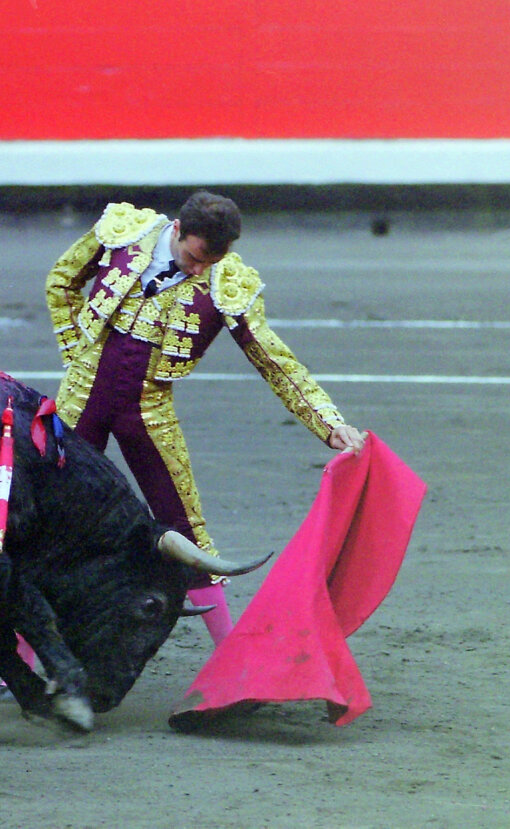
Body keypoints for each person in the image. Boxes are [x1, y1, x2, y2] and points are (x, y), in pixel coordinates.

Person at [44, 191, 365, 646]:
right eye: (195, 256)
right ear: (177, 229)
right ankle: (26, 659)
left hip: (148, 411)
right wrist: (77, 353)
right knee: (51, 521)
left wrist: (329, 423)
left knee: (185, 528)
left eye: (211, 260)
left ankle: (230, 657)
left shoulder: (227, 282)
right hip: (81, 401)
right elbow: (62, 282)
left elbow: (274, 361)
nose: (200, 269)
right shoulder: (124, 232)